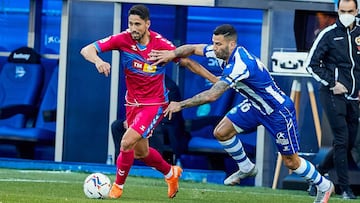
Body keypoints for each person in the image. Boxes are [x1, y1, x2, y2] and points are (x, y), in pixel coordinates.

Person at [150, 24, 335, 203]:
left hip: (278, 111)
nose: (214, 48)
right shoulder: (221, 51)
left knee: (290, 162)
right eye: (213, 43)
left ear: (232, 44)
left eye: (218, 44)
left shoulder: (240, 64)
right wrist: (172, 53)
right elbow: (192, 48)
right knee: (221, 132)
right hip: (255, 106)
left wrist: (180, 105)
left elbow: (213, 95)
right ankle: (246, 167)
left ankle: (324, 185)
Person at [80, 4, 218, 199]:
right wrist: (98, 61)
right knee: (141, 152)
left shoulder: (161, 44)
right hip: (132, 103)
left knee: (126, 142)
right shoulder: (123, 39)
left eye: (137, 24)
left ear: (147, 24)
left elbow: (186, 62)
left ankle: (117, 188)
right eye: (130, 24)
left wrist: (216, 81)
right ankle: (171, 173)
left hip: (154, 103)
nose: (133, 28)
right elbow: (87, 50)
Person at [305, 0, 360, 199]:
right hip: (332, 94)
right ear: (337, 10)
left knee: (348, 142)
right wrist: (332, 83)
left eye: (350, 11)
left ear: (357, 10)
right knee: (341, 139)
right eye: (343, 11)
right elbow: (311, 65)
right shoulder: (327, 34)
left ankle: (317, 176)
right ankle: (344, 188)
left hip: (354, 97)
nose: (346, 14)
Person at [111, 75, 189, 164]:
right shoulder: (141, 84)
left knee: (155, 128)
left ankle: (155, 164)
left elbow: (168, 115)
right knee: (117, 126)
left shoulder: (169, 87)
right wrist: (131, 120)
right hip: (141, 120)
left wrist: (142, 121)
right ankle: (121, 162)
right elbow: (135, 106)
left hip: (165, 125)